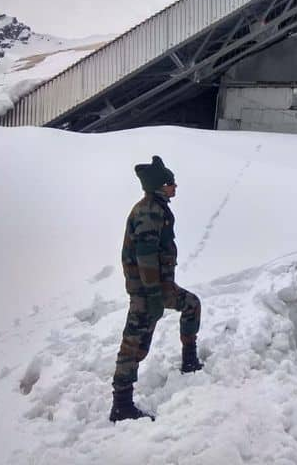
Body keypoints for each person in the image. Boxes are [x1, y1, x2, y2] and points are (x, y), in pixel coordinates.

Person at [110, 156, 203, 422]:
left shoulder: (157, 207)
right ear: (161, 186)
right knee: (134, 343)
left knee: (191, 305)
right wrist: (152, 296)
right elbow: (146, 256)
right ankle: (121, 404)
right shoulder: (149, 211)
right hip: (146, 291)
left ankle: (189, 359)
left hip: (159, 287)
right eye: (171, 182)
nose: (175, 186)